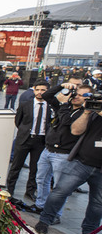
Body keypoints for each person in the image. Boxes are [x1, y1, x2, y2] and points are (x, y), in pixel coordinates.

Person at [35, 98, 102, 234]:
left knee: (98, 203)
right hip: (81, 162)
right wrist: (86, 113)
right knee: (60, 191)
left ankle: (89, 232)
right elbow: (76, 130)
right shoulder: (92, 114)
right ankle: (45, 220)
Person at [32, 80, 89, 217]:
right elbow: (47, 96)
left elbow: (67, 123)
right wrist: (62, 86)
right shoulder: (66, 107)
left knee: (60, 187)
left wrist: (63, 104)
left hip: (64, 154)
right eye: (75, 94)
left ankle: (55, 213)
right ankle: (41, 205)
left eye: (81, 95)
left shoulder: (85, 113)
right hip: (48, 150)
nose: (75, 97)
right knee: (41, 180)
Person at [6, 79, 51, 205]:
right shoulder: (26, 104)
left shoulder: (50, 106)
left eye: (43, 90)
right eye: (38, 90)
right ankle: (10, 189)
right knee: (16, 166)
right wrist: (25, 131)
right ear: (34, 90)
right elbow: (18, 121)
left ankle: (30, 191)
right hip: (25, 138)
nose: (40, 92)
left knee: (35, 168)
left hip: (40, 140)